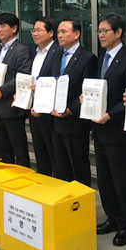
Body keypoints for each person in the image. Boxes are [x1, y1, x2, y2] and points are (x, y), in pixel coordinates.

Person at [93, 14, 126, 247]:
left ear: (119, 32)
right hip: (99, 129)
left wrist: (111, 114)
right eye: (99, 31)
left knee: (122, 179)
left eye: (105, 31)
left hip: (119, 130)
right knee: (105, 178)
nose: (101, 35)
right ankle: (112, 218)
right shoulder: (101, 59)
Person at [51, 19, 97, 186]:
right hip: (56, 120)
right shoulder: (56, 55)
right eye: (58, 32)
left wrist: (71, 109)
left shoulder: (88, 58)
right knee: (61, 168)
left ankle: (81, 199)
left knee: (78, 168)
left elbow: (88, 91)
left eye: (64, 32)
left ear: (76, 34)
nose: (59, 35)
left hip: (75, 122)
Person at [0, 13, 32, 166]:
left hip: (12, 105)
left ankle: (23, 176)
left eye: (3, 26)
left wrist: (3, 90)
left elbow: (22, 76)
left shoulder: (22, 50)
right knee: (3, 149)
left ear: (14, 28)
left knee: (19, 150)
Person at [29, 16, 61, 176]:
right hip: (34, 109)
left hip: (49, 112)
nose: (35, 34)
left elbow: (57, 81)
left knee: (54, 155)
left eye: (38, 30)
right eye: (33, 30)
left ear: (50, 33)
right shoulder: (35, 53)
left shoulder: (57, 52)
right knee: (40, 154)